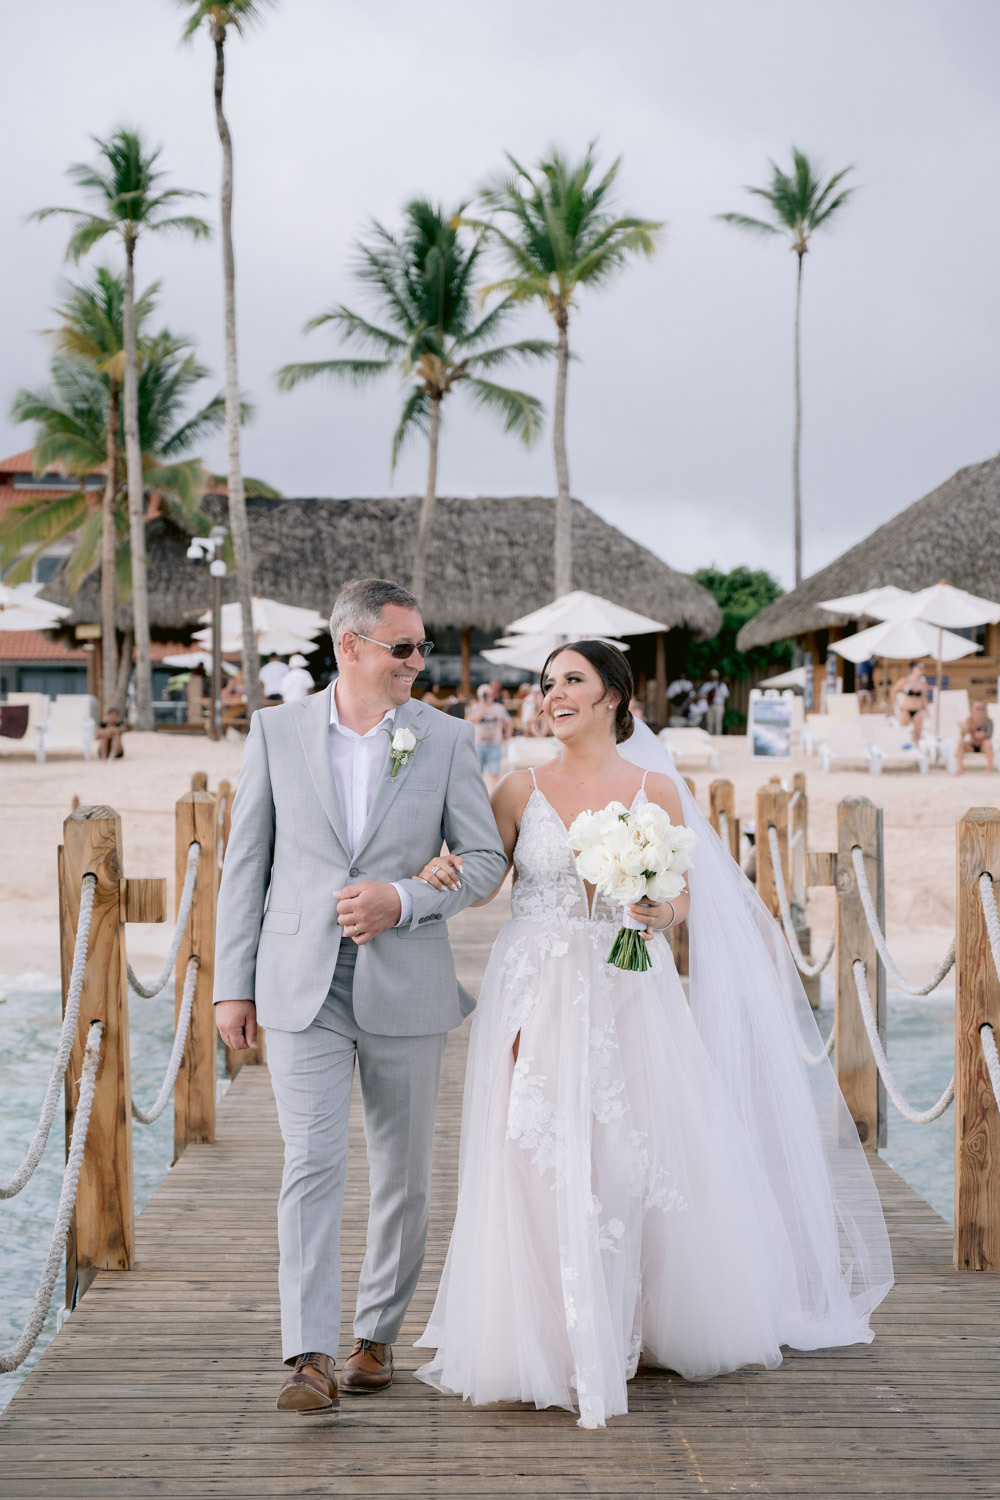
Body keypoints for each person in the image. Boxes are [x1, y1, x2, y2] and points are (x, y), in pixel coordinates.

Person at [409, 640, 892, 1429]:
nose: (552, 694)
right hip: (534, 982)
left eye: (572, 680)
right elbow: (482, 881)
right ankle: (548, 1332)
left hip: (627, 984)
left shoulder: (654, 788)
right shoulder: (518, 786)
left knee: (633, 1142)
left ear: (613, 696)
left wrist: (660, 912)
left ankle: (640, 1319)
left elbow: (685, 892)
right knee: (530, 1141)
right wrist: (437, 874)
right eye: (546, 683)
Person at [213, 578, 507, 1415]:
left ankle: (375, 1335)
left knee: (403, 1170)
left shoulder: (445, 740)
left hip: (407, 973)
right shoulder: (274, 732)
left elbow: (483, 861)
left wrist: (404, 899)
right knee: (311, 1163)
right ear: (350, 647)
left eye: (420, 647)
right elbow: (247, 866)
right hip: (298, 980)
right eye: (403, 648)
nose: (419, 662)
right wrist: (232, 986)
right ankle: (307, 1355)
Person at [468, 682, 511, 788]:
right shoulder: (475, 707)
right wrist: (482, 706)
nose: (489, 697)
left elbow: (509, 722)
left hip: (494, 744)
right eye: (485, 695)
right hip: (479, 744)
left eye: (490, 694)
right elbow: (473, 719)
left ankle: (495, 797)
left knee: (495, 773)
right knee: (477, 773)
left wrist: (506, 737)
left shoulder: (499, 708)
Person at [891, 661, 929, 744]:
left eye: (923, 669)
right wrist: (897, 705)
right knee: (903, 733)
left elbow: (924, 698)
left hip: (918, 710)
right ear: (913, 669)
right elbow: (893, 691)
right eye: (919, 668)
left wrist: (926, 711)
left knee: (918, 735)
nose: (921, 670)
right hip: (906, 710)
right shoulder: (905, 680)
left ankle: (917, 753)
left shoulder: (923, 683)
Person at [955, 700, 996, 773]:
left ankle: (989, 770)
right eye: (978, 708)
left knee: (987, 742)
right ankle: (960, 769)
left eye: (981, 708)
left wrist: (983, 735)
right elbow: (962, 735)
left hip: (983, 747)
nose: (980, 710)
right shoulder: (969, 720)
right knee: (960, 742)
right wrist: (964, 728)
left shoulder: (988, 721)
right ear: (972, 709)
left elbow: (989, 735)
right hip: (972, 746)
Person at [699, 670, 729, 736]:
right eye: (712, 676)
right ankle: (709, 736)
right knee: (709, 722)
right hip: (709, 705)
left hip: (719, 705)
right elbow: (701, 694)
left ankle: (718, 737)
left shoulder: (722, 685)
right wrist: (708, 694)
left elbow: (726, 695)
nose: (713, 677)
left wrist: (719, 690)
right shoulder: (706, 685)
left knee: (718, 722)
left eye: (715, 676)